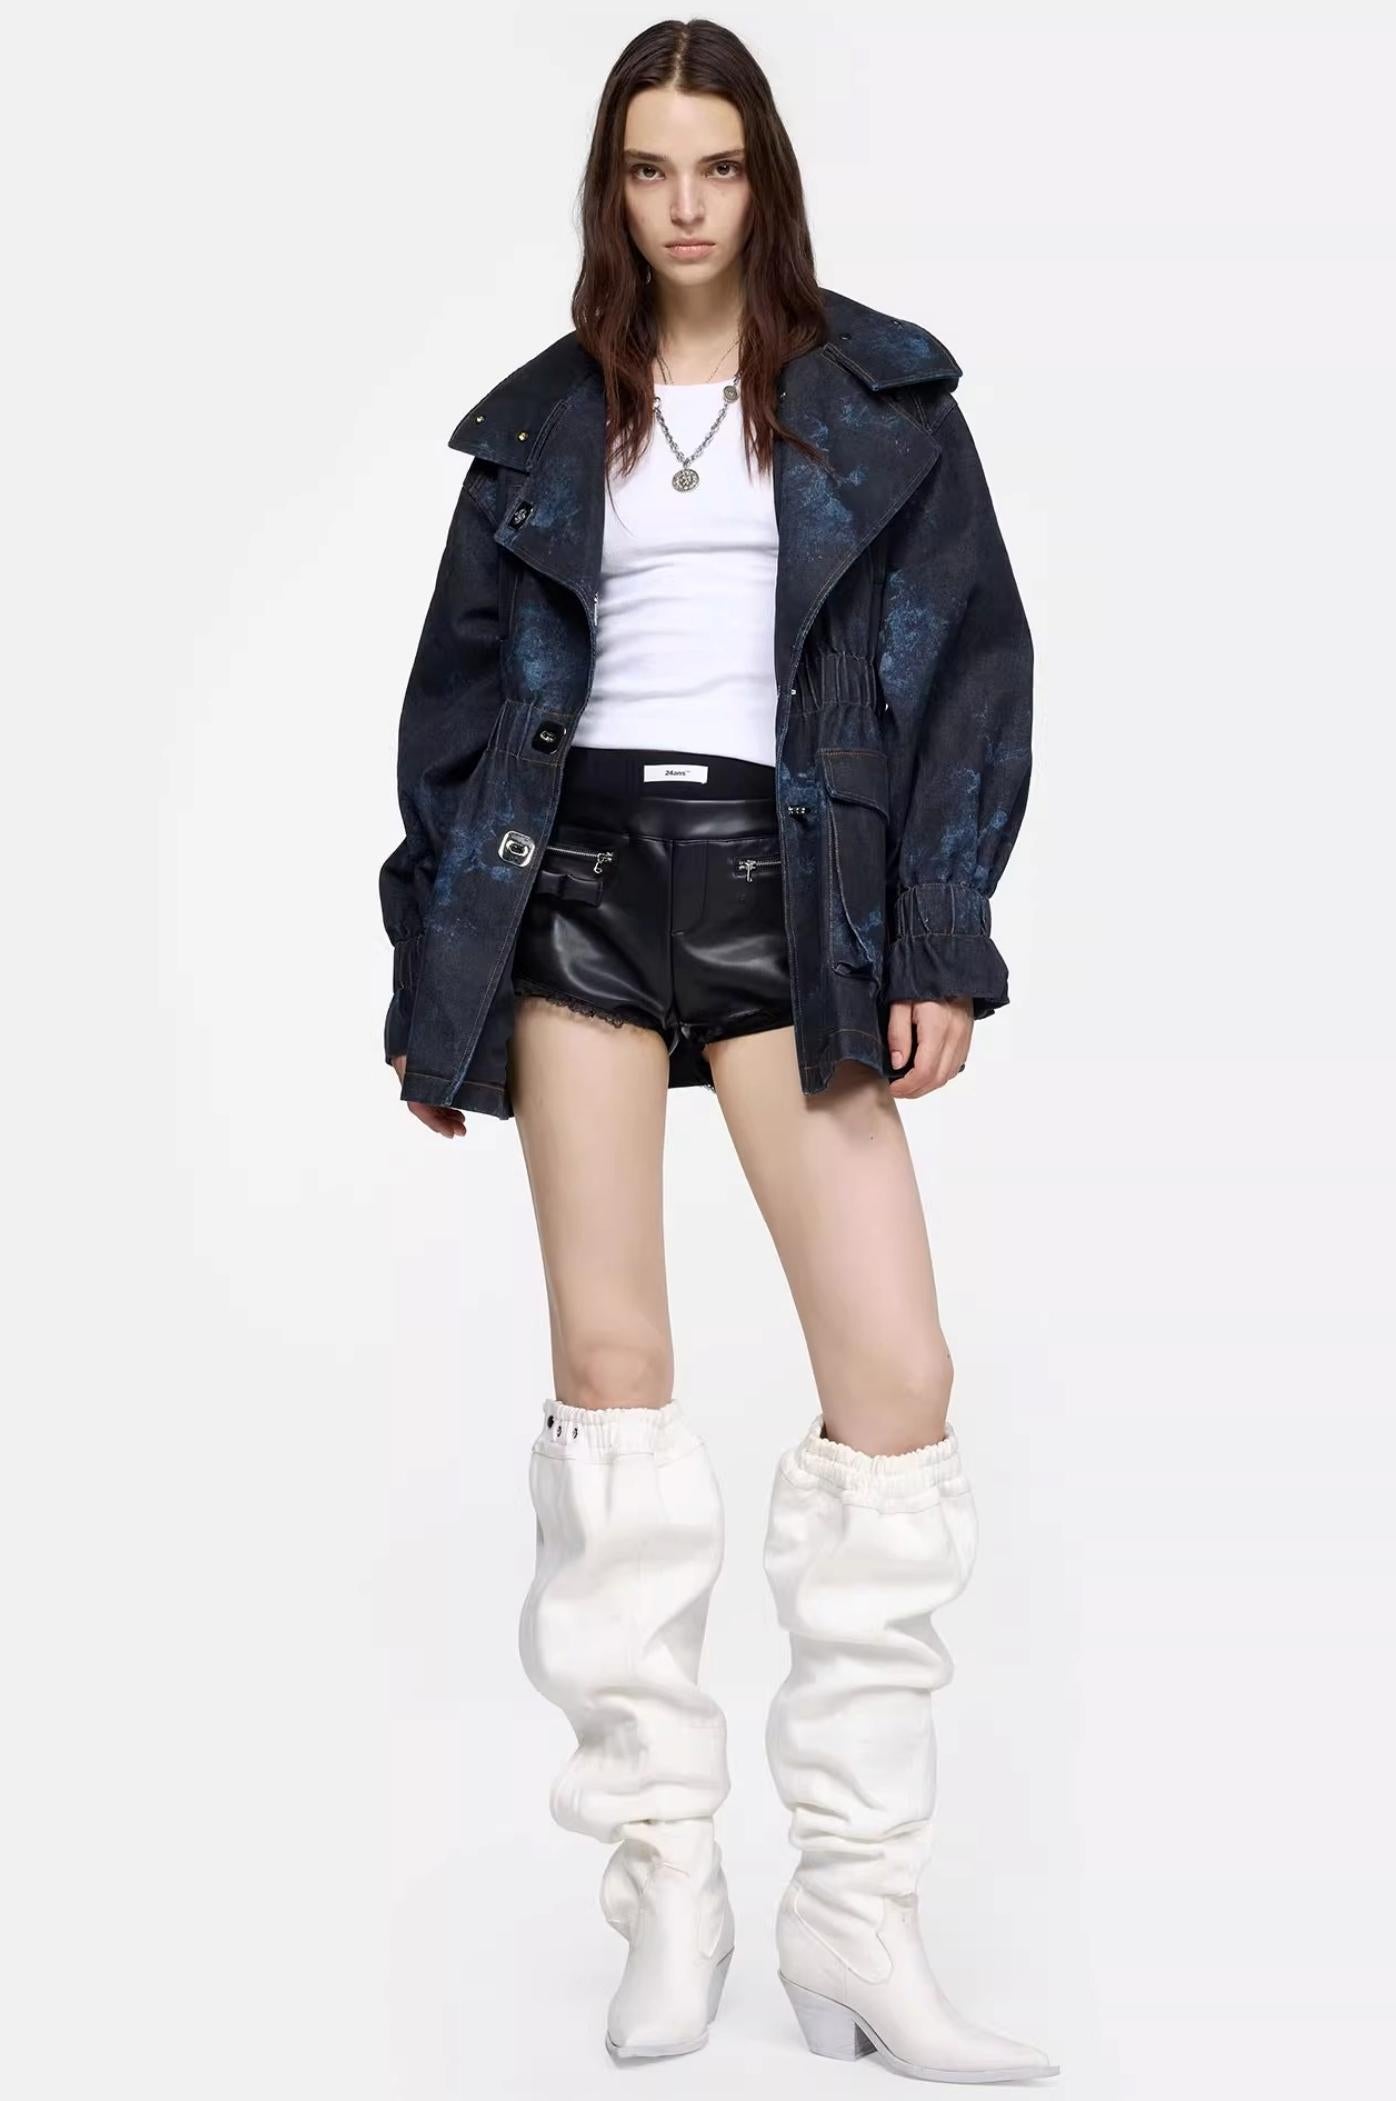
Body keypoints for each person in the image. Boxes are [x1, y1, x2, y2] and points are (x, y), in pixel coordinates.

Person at [378, 19, 1055, 2084]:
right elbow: (452, 711)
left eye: (719, 166)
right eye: (650, 168)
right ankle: (665, 1877)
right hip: (575, 886)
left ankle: (853, 1912)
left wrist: (937, 937)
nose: (685, 205)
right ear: (613, 187)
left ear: (766, 179)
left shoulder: (878, 402)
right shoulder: (536, 428)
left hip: (796, 893)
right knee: (613, 1374)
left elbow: (975, 674)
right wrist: (433, 969)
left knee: (894, 1381)